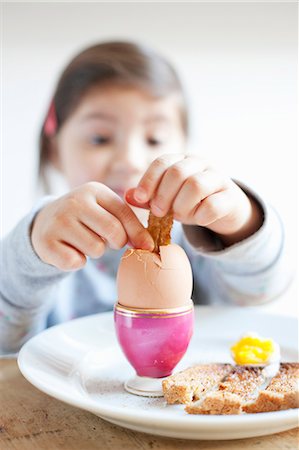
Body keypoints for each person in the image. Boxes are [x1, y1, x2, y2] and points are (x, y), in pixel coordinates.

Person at [0, 41, 289, 354]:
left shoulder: (199, 243)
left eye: (154, 138)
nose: (130, 160)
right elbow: (7, 339)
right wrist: (30, 251)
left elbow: (259, 290)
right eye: (100, 138)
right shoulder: (48, 248)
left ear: (184, 147)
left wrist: (239, 221)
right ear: (55, 150)